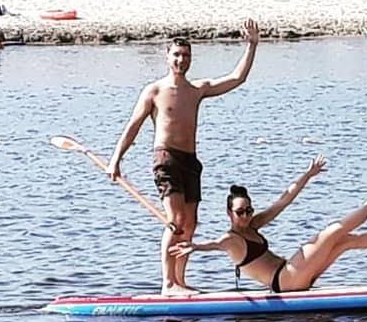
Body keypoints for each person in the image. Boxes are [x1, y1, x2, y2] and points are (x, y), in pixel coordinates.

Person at [107, 19, 260, 295]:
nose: (181, 60)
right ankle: (167, 283)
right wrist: (116, 159)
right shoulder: (154, 91)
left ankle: (180, 280)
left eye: (186, 55)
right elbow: (134, 126)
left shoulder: (196, 89)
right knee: (176, 220)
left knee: (190, 224)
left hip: (191, 162)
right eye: (176, 55)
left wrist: (251, 45)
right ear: (167, 57)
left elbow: (237, 78)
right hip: (166, 159)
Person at [173, 159, 367, 293]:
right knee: (332, 231)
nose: (247, 215)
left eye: (249, 210)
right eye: (241, 212)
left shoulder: (255, 224)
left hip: (294, 276)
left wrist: (307, 175)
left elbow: (285, 199)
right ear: (229, 213)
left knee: (346, 240)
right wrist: (194, 247)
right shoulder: (232, 239)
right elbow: (215, 244)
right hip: (285, 279)